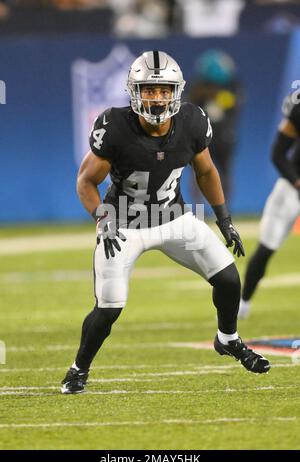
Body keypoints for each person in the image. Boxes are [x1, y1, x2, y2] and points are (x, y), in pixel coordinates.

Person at [61, 51, 270, 394]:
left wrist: (225, 220)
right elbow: (86, 181)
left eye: (163, 90)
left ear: (176, 91)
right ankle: (78, 369)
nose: (156, 98)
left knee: (229, 279)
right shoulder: (114, 126)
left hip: (173, 218)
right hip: (124, 225)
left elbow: (206, 171)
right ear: (134, 91)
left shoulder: (192, 121)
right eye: (149, 90)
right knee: (109, 307)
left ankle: (228, 338)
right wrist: (103, 218)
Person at [239, 93, 300, 319]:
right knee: (267, 247)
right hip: (292, 188)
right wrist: (296, 181)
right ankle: (243, 303)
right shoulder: (298, 108)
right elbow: (278, 154)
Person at [188, 49, 243, 201]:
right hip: (203, 137)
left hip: (224, 136)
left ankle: (225, 211)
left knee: (224, 173)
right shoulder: (197, 90)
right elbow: (190, 111)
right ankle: (198, 210)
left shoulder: (232, 88)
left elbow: (235, 110)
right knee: (198, 172)